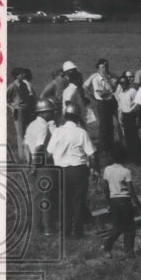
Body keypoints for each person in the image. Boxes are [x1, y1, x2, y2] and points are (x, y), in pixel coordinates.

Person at [45, 101, 99, 239]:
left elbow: (49, 153)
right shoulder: (81, 132)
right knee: (79, 201)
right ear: (77, 117)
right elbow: (92, 154)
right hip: (78, 170)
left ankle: (66, 232)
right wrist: (94, 170)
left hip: (61, 171)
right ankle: (78, 232)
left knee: (66, 201)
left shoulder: (57, 131)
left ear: (65, 116)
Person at [101, 144, 141, 258]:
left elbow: (105, 188)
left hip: (113, 200)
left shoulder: (107, 170)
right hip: (124, 200)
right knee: (130, 227)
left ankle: (107, 245)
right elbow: (131, 192)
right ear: (125, 157)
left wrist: (109, 202)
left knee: (118, 226)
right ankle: (129, 252)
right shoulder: (126, 171)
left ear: (112, 157)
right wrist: (139, 207)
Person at [23, 98, 58, 236]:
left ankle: (36, 228)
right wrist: (35, 165)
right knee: (46, 196)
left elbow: (25, 145)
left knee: (36, 197)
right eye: (50, 111)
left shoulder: (31, 124)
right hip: (42, 164)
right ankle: (48, 228)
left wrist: (29, 162)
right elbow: (39, 147)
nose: (52, 113)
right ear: (44, 113)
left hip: (32, 162)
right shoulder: (43, 127)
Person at [8, 67, 36, 162]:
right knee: (20, 134)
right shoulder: (12, 86)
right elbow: (6, 99)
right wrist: (12, 107)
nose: (23, 75)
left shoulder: (24, 84)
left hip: (26, 110)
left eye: (23, 74)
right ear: (16, 75)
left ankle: (29, 154)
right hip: (18, 111)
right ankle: (21, 156)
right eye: (21, 74)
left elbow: (27, 95)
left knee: (28, 131)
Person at [115, 71, 141, 160]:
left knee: (134, 136)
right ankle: (130, 154)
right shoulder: (121, 94)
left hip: (132, 115)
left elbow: (138, 104)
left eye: (125, 83)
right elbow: (120, 107)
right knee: (127, 136)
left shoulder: (133, 91)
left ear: (127, 83)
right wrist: (120, 117)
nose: (123, 85)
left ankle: (137, 155)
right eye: (121, 83)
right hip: (125, 116)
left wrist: (137, 117)